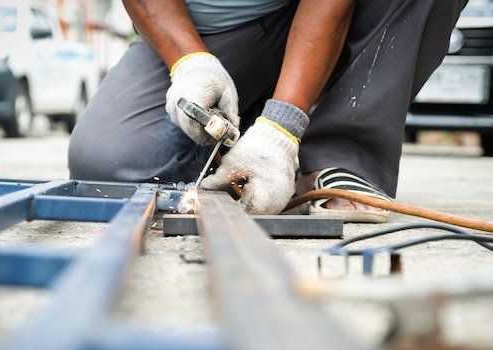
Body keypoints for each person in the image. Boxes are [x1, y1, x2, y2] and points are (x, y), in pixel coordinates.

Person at [68, 0, 468, 222]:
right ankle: (239, 137)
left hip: (333, 11)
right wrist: (189, 61)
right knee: (107, 161)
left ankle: (341, 161)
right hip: (214, 30)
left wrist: (283, 128)